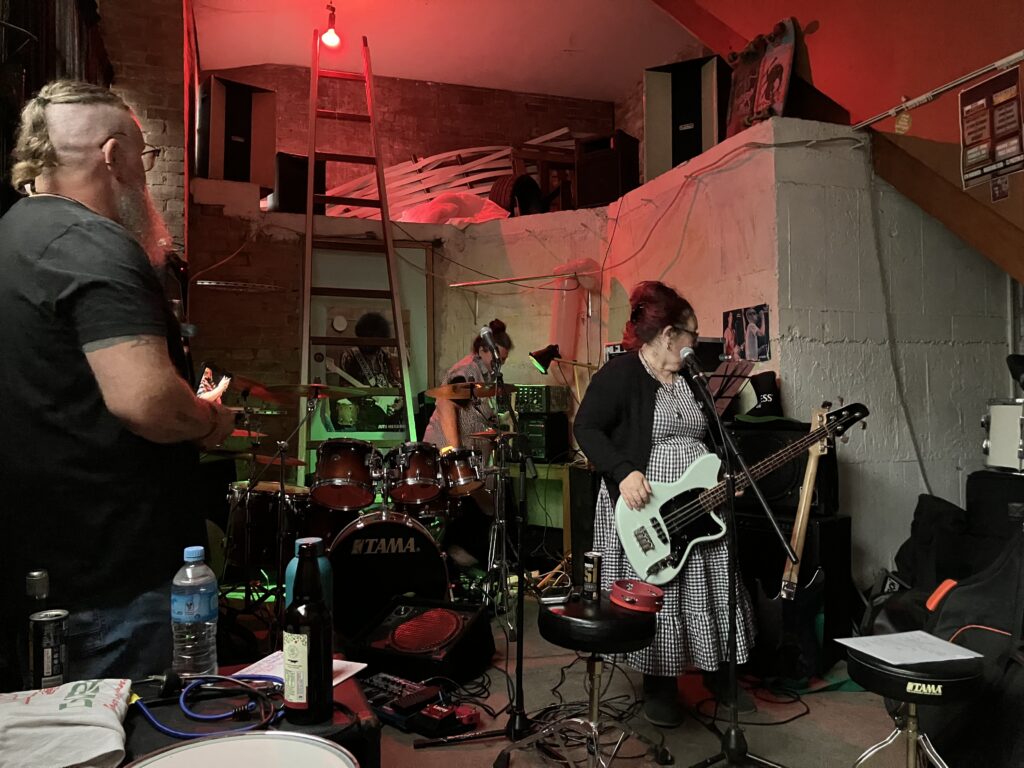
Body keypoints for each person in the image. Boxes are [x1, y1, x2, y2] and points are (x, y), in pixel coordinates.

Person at [0, 80, 236, 691]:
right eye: (144, 156)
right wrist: (207, 420)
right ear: (113, 155)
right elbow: (146, 402)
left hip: (47, 572)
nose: (144, 174)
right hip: (115, 586)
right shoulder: (93, 242)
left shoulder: (14, 235)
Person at [573, 281, 756, 727]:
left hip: (699, 500)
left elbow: (714, 436)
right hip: (647, 502)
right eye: (691, 333)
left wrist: (728, 474)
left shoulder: (691, 378)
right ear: (670, 334)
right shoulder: (622, 373)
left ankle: (719, 671)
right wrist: (623, 471)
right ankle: (659, 683)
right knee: (664, 591)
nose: (696, 342)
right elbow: (587, 427)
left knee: (712, 583)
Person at [422, 319, 513, 567]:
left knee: (490, 501)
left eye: (503, 361)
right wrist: (456, 452)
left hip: (472, 457)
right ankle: (455, 553)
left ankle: (471, 558)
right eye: (497, 359)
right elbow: (446, 402)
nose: (499, 364)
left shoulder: (486, 376)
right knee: (470, 504)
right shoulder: (465, 371)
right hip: (451, 452)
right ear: (482, 351)